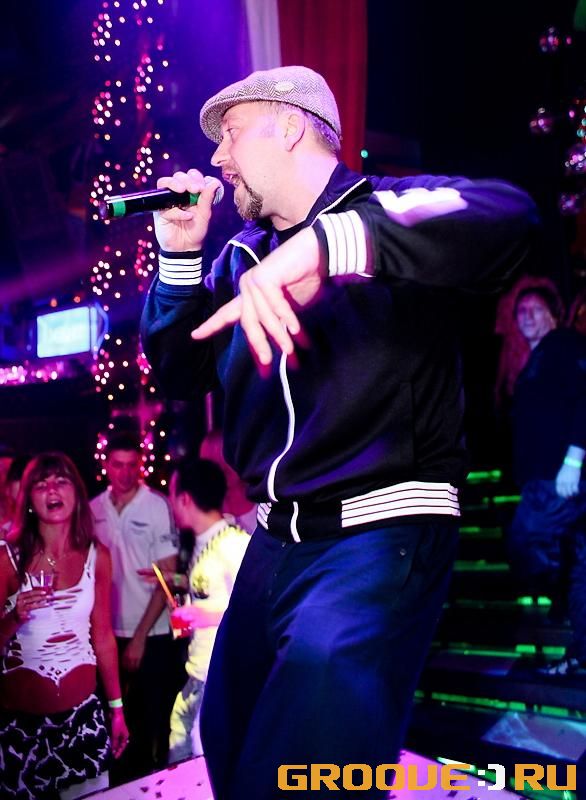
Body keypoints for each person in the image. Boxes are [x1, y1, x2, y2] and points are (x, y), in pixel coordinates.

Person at [140, 65, 538, 799]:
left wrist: (332, 244)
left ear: (291, 127)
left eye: (232, 134)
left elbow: (510, 215)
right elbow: (178, 373)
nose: (219, 159)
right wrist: (179, 257)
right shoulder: (239, 258)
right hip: (275, 541)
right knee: (231, 742)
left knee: (307, 769)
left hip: (377, 533)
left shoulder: (387, 206)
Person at [0, 452, 128, 799]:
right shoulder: (7, 559)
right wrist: (14, 617)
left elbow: (103, 637)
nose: (52, 489)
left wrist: (117, 709)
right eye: (41, 484)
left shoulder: (98, 556)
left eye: (61, 481)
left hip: (82, 720)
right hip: (21, 727)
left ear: (77, 494)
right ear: (29, 499)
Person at [142, 458, 249, 764]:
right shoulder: (206, 542)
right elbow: (211, 587)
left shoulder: (234, 544)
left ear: (185, 498)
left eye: (172, 494)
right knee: (179, 745)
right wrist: (177, 581)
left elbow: (257, 612)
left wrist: (206, 616)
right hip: (197, 673)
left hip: (220, 677)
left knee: (204, 763)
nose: (171, 503)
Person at [90, 431, 181, 783]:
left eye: (132, 465)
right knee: (113, 727)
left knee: (149, 725)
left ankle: (152, 787)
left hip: (151, 634)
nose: (125, 473)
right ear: (106, 464)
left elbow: (166, 576)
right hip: (106, 633)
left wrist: (140, 637)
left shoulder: (157, 505)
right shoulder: (93, 508)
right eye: (118, 465)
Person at [507, 285, 586, 676]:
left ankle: (558, 586)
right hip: (544, 479)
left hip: (561, 478)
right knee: (579, 567)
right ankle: (582, 654)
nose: (527, 315)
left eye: (535, 308)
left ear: (553, 314)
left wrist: (574, 458)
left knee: (525, 540)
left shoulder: (564, 343)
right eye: (521, 310)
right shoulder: (533, 361)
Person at [199, 429, 257, 532]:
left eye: (224, 458)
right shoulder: (204, 515)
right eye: (213, 462)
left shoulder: (264, 504)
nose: (221, 468)